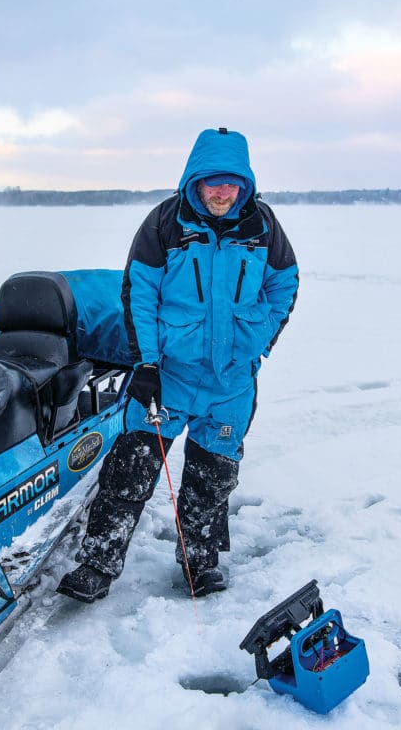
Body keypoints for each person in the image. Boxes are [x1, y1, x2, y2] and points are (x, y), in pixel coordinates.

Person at [57, 127, 298, 603]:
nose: (223, 192)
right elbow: (139, 295)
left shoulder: (263, 226)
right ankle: (98, 563)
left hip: (231, 383)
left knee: (212, 480)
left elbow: (285, 285)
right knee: (131, 471)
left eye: (232, 183)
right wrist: (146, 364)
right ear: (196, 180)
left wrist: (259, 338)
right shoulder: (165, 222)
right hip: (169, 376)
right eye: (213, 182)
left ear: (245, 184)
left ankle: (200, 564)